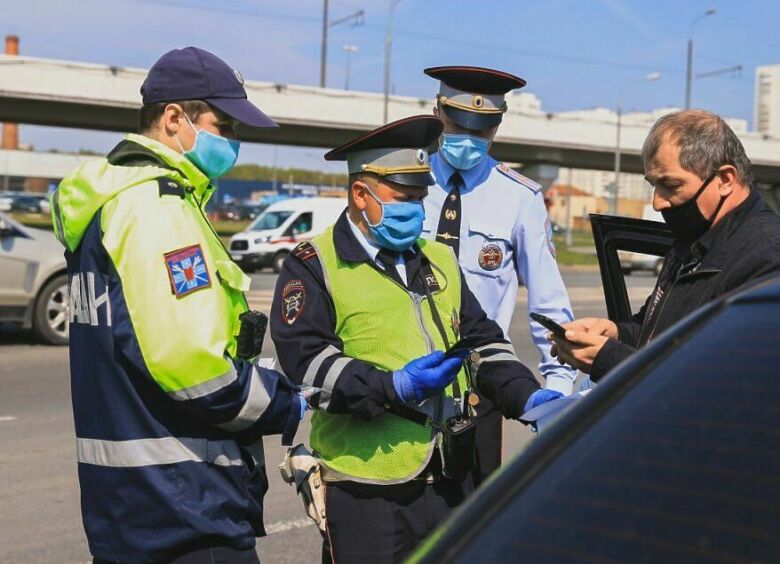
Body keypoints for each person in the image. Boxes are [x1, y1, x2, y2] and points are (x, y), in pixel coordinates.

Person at [50, 47, 305, 564]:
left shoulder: (107, 206)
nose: (234, 141)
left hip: (126, 505)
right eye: (224, 125)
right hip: (186, 506)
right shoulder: (156, 210)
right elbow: (195, 369)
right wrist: (289, 402)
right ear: (174, 119)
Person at [270, 115, 561, 564]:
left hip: (449, 476)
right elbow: (306, 362)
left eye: (420, 197)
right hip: (367, 484)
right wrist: (392, 387)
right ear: (360, 195)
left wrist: (530, 398)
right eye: (403, 198)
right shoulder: (314, 263)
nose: (416, 210)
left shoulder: (439, 258)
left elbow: (484, 340)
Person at [421, 65, 576, 482]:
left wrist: (558, 389)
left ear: (497, 127)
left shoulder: (519, 198)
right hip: (403, 378)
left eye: (482, 130)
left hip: (479, 383)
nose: (470, 139)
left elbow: (549, 300)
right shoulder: (407, 183)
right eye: (459, 125)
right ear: (438, 113)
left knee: (471, 523)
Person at [550, 109, 780, 379]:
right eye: (653, 184)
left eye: (670, 184)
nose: (657, 202)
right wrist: (616, 333)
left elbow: (728, 380)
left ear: (725, 180)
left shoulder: (767, 258)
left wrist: (609, 359)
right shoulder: (693, 239)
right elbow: (657, 331)